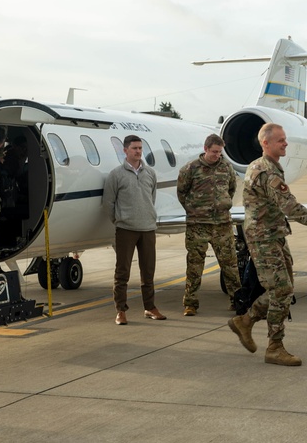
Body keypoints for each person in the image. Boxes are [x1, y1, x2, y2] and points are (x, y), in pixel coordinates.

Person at [227, 123, 307, 366]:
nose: (286, 143)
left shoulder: (267, 167)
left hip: (273, 235)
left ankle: (245, 322)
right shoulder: (266, 172)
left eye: (285, 139)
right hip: (264, 239)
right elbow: (292, 208)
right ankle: (274, 347)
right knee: (280, 290)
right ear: (266, 143)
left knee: (285, 289)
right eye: (280, 140)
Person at [102, 134, 165, 325]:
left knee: (148, 272)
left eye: (140, 148)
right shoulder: (116, 175)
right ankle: (121, 310)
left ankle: (150, 307)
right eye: (134, 148)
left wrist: (147, 217)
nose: (138, 151)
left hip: (147, 228)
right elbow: (108, 203)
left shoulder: (150, 173)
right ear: (125, 150)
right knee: (122, 272)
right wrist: (121, 220)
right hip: (126, 230)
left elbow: (151, 198)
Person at [176, 133, 241, 316]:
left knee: (230, 265)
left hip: (222, 224)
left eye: (220, 152)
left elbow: (231, 189)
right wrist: (195, 210)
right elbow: (182, 193)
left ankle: (237, 301)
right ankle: (190, 304)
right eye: (214, 152)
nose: (217, 155)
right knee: (195, 266)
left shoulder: (226, 168)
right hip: (198, 225)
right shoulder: (190, 169)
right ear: (205, 149)